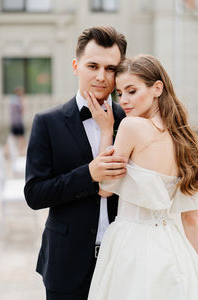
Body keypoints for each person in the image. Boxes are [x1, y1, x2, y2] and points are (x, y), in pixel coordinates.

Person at [24, 26, 127, 300]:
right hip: (65, 263)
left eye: (110, 68)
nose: (101, 76)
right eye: (92, 65)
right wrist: (89, 174)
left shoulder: (130, 122)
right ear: (75, 66)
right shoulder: (47, 122)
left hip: (122, 262)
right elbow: (34, 194)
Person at [87, 55, 198, 300]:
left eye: (132, 91)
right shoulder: (184, 138)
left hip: (133, 242)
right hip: (174, 245)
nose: (124, 100)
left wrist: (106, 130)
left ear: (157, 88)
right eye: (119, 93)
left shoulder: (130, 126)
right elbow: (191, 218)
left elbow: (105, 188)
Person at [8, 86, 26, 156]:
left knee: (12, 136)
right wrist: (22, 101)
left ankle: (6, 151)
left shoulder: (12, 100)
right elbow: (22, 110)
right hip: (18, 122)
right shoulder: (18, 101)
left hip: (13, 122)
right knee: (21, 136)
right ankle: (22, 151)